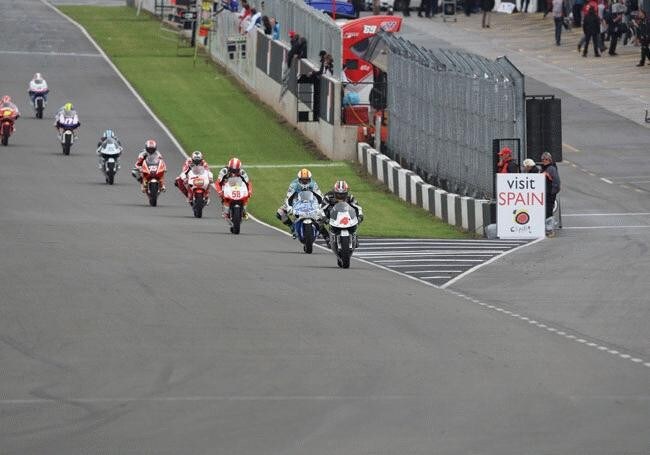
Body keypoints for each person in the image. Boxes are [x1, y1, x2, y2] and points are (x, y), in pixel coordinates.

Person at [276, 168, 323, 236]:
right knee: (280, 212)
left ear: (310, 179)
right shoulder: (294, 184)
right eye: (303, 180)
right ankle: (292, 226)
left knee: (320, 216)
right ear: (299, 179)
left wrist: (320, 205)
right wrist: (289, 207)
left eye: (306, 180)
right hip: (296, 201)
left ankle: (323, 233)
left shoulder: (313, 184)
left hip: (311, 201)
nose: (305, 181)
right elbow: (288, 197)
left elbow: (320, 195)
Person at [320, 180, 364, 248]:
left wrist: (360, 215)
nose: (340, 196)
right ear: (334, 192)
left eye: (343, 194)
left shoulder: (350, 197)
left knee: (355, 219)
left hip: (346, 216)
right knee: (318, 223)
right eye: (338, 194)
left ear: (346, 193)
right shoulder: (328, 197)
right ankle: (327, 238)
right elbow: (321, 209)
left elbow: (358, 207)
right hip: (331, 217)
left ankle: (355, 236)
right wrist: (324, 217)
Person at [540, 152, 560, 220]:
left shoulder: (551, 168)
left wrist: (552, 192)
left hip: (549, 193)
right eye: (543, 159)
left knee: (548, 210)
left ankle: (549, 224)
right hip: (544, 193)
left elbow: (557, 181)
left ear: (549, 160)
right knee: (545, 210)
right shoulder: (543, 168)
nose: (544, 161)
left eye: (546, 159)